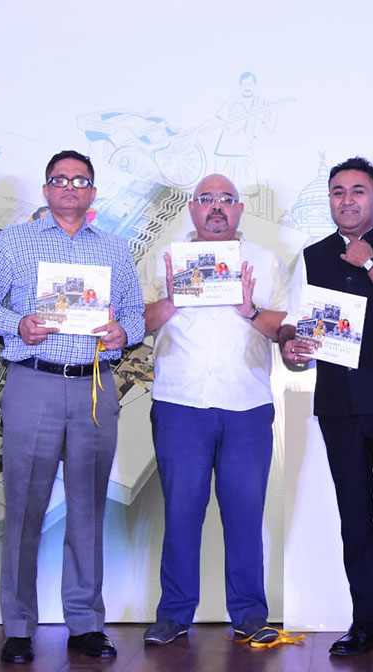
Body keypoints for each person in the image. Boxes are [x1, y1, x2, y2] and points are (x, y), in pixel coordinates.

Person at [0, 150, 145, 664]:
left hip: (93, 385)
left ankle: (85, 624)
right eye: (59, 180)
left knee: (88, 509)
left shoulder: (113, 248)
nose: (70, 187)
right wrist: (16, 324)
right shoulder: (14, 241)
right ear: (45, 190)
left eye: (80, 180)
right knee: (23, 508)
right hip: (34, 382)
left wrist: (123, 331)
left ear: (92, 192)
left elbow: (133, 313)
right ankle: (18, 626)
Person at [278, 156, 373, 664]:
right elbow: (295, 327)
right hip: (339, 404)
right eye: (338, 191)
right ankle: (364, 622)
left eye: (358, 191)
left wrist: (369, 262)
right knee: (354, 516)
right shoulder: (311, 256)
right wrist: (291, 348)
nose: (347, 199)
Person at [139, 174, 289, 646]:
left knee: (245, 512)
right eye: (207, 199)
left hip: (246, 403)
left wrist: (249, 310)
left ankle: (249, 613)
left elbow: (284, 327)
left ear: (240, 209)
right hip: (180, 401)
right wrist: (174, 298)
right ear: (192, 208)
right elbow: (137, 321)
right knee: (182, 511)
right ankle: (174, 613)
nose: (216, 207)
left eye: (226, 200)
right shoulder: (163, 261)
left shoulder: (265, 262)